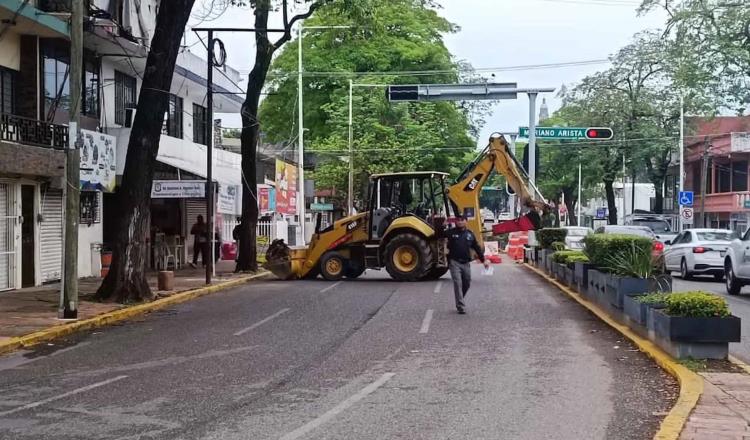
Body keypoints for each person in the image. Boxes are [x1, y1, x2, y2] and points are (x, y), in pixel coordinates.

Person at [447, 215, 489, 314]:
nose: (460, 222)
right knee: (458, 283)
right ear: (456, 222)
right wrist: (440, 225)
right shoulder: (451, 232)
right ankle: (461, 306)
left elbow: (477, 248)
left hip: (466, 263)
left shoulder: (470, 234)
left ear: (466, 221)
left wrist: (484, 261)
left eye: (462, 220)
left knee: (467, 283)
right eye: (458, 220)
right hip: (454, 262)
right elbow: (438, 235)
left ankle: (460, 298)